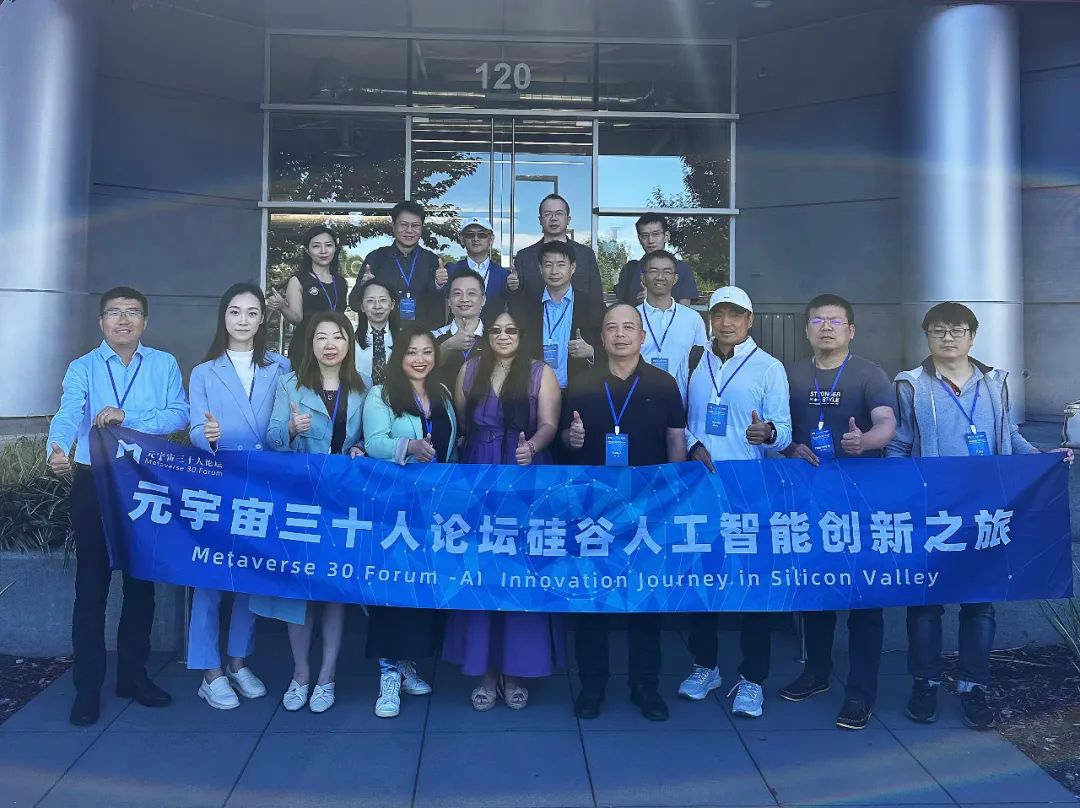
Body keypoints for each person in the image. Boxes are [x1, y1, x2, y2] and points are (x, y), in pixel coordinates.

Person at [886, 301, 1073, 730]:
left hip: (986, 509)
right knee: (926, 604)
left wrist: (1041, 458)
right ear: (927, 336)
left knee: (980, 604)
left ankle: (974, 686)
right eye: (938, 330)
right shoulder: (911, 384)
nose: (947, 337)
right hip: (934, 511)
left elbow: (1008, 434)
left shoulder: (995, 383)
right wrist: (900, 487)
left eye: (957, 330)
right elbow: (900, 443)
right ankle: (925, 683)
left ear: (972, 337)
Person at [46, 286, 188, 726]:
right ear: (101, 322)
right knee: (91, 586)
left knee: (141, 584)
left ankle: (133, 676)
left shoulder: (163, 363)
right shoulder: (83, 367)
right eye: (114, 312)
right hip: (95, 482)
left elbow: (179, 414)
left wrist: (130, 418)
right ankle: (87, 688)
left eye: (132, 312)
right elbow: (69, 412)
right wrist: (57, 447)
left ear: (145, 321)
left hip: (145, 481)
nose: (123, 320)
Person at [560, 304, 688, 722]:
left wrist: (675, 498)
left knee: (644, 599)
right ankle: (592, 685)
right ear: (601, 337)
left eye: (628, 327)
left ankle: (644, 686)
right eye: (612, 328)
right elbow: (565, 442)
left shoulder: (663, 384)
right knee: (592, 599)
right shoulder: (582, 383)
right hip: (594, 508)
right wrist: (572, 438)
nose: (620, 335)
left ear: (642, 336)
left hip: (648, 507)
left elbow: (675, 442)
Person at [776, 293, 897, 731]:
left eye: (835, 321)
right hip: (808, 498)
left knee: (865, 598)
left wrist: (865, 441)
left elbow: (886, 423)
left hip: (860, 502)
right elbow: (778, 427)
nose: (826, 327)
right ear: (806, 329)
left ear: (851, 330)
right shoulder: (789, 373)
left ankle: (861, 692)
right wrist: (788, 445)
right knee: (816, 588)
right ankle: (817, 672)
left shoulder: (869, 373)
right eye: (817, 320)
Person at [443, 308, 564, 710]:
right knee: (481, 568)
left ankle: (516, 670)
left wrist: (534, 446)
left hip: (524, 472)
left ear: (522, 334)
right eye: (496, 330)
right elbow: (464, 426)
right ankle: (486, 671)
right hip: (478, 474)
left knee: (520, 569)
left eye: (511, 330)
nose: (503, 336)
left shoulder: (540, 372)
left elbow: (549, 424)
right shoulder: (470, 370)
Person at [682, 286, 792, 719]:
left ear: (750, 320)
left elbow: (783, 429)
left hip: (749, 490)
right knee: (703, 579)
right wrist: (692, 445)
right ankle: (705, 666)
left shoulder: (769, 367)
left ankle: (752, 679)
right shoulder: (696, 361)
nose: (726, 323)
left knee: (752, 583)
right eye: (719, 315)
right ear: (710, 320)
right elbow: (681, 419)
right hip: (701, 487)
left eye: (735, 315)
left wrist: (769, 433)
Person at [187, 283, 291, 710]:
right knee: (210, 576)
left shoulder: (281, 366)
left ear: (263, 318)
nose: (243, 320)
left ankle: (237, 661)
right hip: (219, 480)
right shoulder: (204, 372)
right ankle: (208, 670)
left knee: (250, 573)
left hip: (264, 481)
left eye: (251, 312)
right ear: (224, 317)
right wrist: (207, 436)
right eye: (235, 311)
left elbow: (282, 426)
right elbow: (195, 428)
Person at [258, 311, 367, 715]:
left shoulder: (363, 387)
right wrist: (290, 429)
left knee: (333, 589)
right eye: (321, 337)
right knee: (299, 589)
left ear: (348, 343)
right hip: (301, 499)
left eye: (337, 336)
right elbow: (271, 438)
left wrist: (362, 449)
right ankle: (301, 672)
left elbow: (368, 440)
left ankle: (327, 675)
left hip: (341, 500)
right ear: (310, 344)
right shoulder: (290, 383)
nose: (329, 344)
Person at [362, 327, 458, 717]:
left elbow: (452, 444)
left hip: (433, 508)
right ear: (399, 356)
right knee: (391, 587)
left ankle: (406, 664)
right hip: (394, 508)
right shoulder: (381, 394)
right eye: (411, 352)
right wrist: (409, 446)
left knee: (419, 586)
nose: (420, 359)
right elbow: (374, 442)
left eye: (426, 352)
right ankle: (387, 675)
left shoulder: (443, 394)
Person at [515, 240, 605, 391]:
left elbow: (611, 348)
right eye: (548, 265)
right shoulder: (526, 306)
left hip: (579, 392)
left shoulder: (592, 306)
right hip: (535, 392)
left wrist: (591, 352)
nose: (554, 271)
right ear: (540, 269)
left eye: (561, 264)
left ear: (573, 268)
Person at [347, 200, 448, 331]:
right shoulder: (376, 258)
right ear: (393, 226)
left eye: (415, 225)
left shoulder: (432, 261)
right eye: (404, 225)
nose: (409, 230)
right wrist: (363, 286)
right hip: (387, 336)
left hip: (421, 337)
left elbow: (442, 306)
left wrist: (438, 285)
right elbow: (354, 303)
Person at [265, 225, 349, 371]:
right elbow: (296, 318)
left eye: (328, 245)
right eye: (316, 246)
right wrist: (282, 307)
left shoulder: (341, 282)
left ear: (335, 248)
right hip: (305, 344)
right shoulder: (298, 280)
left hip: (334, 344)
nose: (323, 251)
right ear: (307, 251)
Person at [634, 249, 707, 401]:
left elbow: (702, 364)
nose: (660, 277)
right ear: (643, 277)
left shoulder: (692, 318)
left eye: (667, 272)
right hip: (637, 398)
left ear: (675, 279)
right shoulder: (631, 316)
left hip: (681, 400)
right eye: (653, 271)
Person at [508, 194, 603, 302]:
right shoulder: (524, 257)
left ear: (568, 219)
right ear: (540, 220)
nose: (553, 218)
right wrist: (512, 288)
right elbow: (517, 302)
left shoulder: (585, 254)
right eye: (547, 214)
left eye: (559, 213)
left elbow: (596, 296)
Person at [614, 214, 700, 306]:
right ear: (639, 239)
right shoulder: (630, 269)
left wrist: (655, 299)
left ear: (666, 236)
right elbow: (621, 307)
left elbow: (685, 309)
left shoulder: (682, 269)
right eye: (645, 235)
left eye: (655, 234)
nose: (650, 240)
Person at [432, 269, 486, 390]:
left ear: (483, 300)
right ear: (449, 301)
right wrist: (447, 346)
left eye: (471, 293)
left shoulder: (496, 337)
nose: (464, 299)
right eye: (457, 293)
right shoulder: (433, 337)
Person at [446, 217, 510, 319]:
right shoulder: (451, 270)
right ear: (462, 239)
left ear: (491, 239)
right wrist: (438, 284)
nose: (476, 239)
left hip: (492, 328)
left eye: (482, 235)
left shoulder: (504, 275)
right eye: (470, 235)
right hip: (459, 328)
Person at [353, 279, 398, 388]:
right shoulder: (351, 339)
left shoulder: (404, 338)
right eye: (370, 300)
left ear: (392, 304)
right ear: (362, 306)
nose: (377, 306)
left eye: (383, 300)